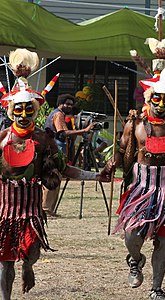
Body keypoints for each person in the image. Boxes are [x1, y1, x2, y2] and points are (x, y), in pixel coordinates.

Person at [0, 49, 110, 300]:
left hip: (31, 210)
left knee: (32, 250)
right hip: (5, 210)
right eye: (19, 109)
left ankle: (28, 266)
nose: (24, 114)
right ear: (12, 110)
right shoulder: (2, 138)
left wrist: (96, 176)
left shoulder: (43, 139)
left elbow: (63, 168)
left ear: (36, 109)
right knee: (5, 262)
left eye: (30, 109)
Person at [108, 38, 165, 300]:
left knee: (163, 240)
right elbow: (121, 148)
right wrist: (113, 162)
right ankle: (135, 259)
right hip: (141, 188)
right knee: (131, 235)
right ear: (149, 98)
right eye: (157, 99)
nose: (161, 104)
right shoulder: (134, 124)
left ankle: (156, 288)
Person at [42, 94, 96, 216]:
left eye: (71, 104)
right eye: (67, 104)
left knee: (56, 177)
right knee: (53, 177)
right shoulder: (59, 114)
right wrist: (84, 130)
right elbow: (63, 132)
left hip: (56, 146)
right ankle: (46, 209)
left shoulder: (57, 113)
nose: (69, 106)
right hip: (55, 147)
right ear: (60, 103)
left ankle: (50, 209)